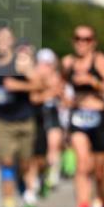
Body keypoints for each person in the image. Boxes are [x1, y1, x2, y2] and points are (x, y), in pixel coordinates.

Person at [61, 25, 104, 207]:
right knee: (82, 165)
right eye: (78, 38)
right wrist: (63, 97)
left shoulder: (100, 61)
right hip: (78, 118)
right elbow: (60, 84)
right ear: (73, 40)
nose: (82, 42)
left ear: (93, 42)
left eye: (87, 39)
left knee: (100, 173)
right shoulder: (67, 62)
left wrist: (93, 82)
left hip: (99, 117)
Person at [0, 27, 41, 207]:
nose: (2, 41)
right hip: (2, 122)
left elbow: (38, 84)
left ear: (12, 41)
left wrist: (19, 85)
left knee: (25, 163)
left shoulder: (21, 62)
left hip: (24, 120)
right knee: (6, 162)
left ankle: (23, 184)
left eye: (6, 38)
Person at [30, 48, 64, 197]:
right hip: (39, 116)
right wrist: (49, 91)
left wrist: (59, 93)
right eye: (43, 64)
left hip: (53, 115)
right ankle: (41, 175)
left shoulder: (58, 78)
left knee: (53, 145)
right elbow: (35, 98)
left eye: (48, 64)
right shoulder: (35, 78)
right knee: (39, 155)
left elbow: (65, 98)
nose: (46, 67)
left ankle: (53, 175)